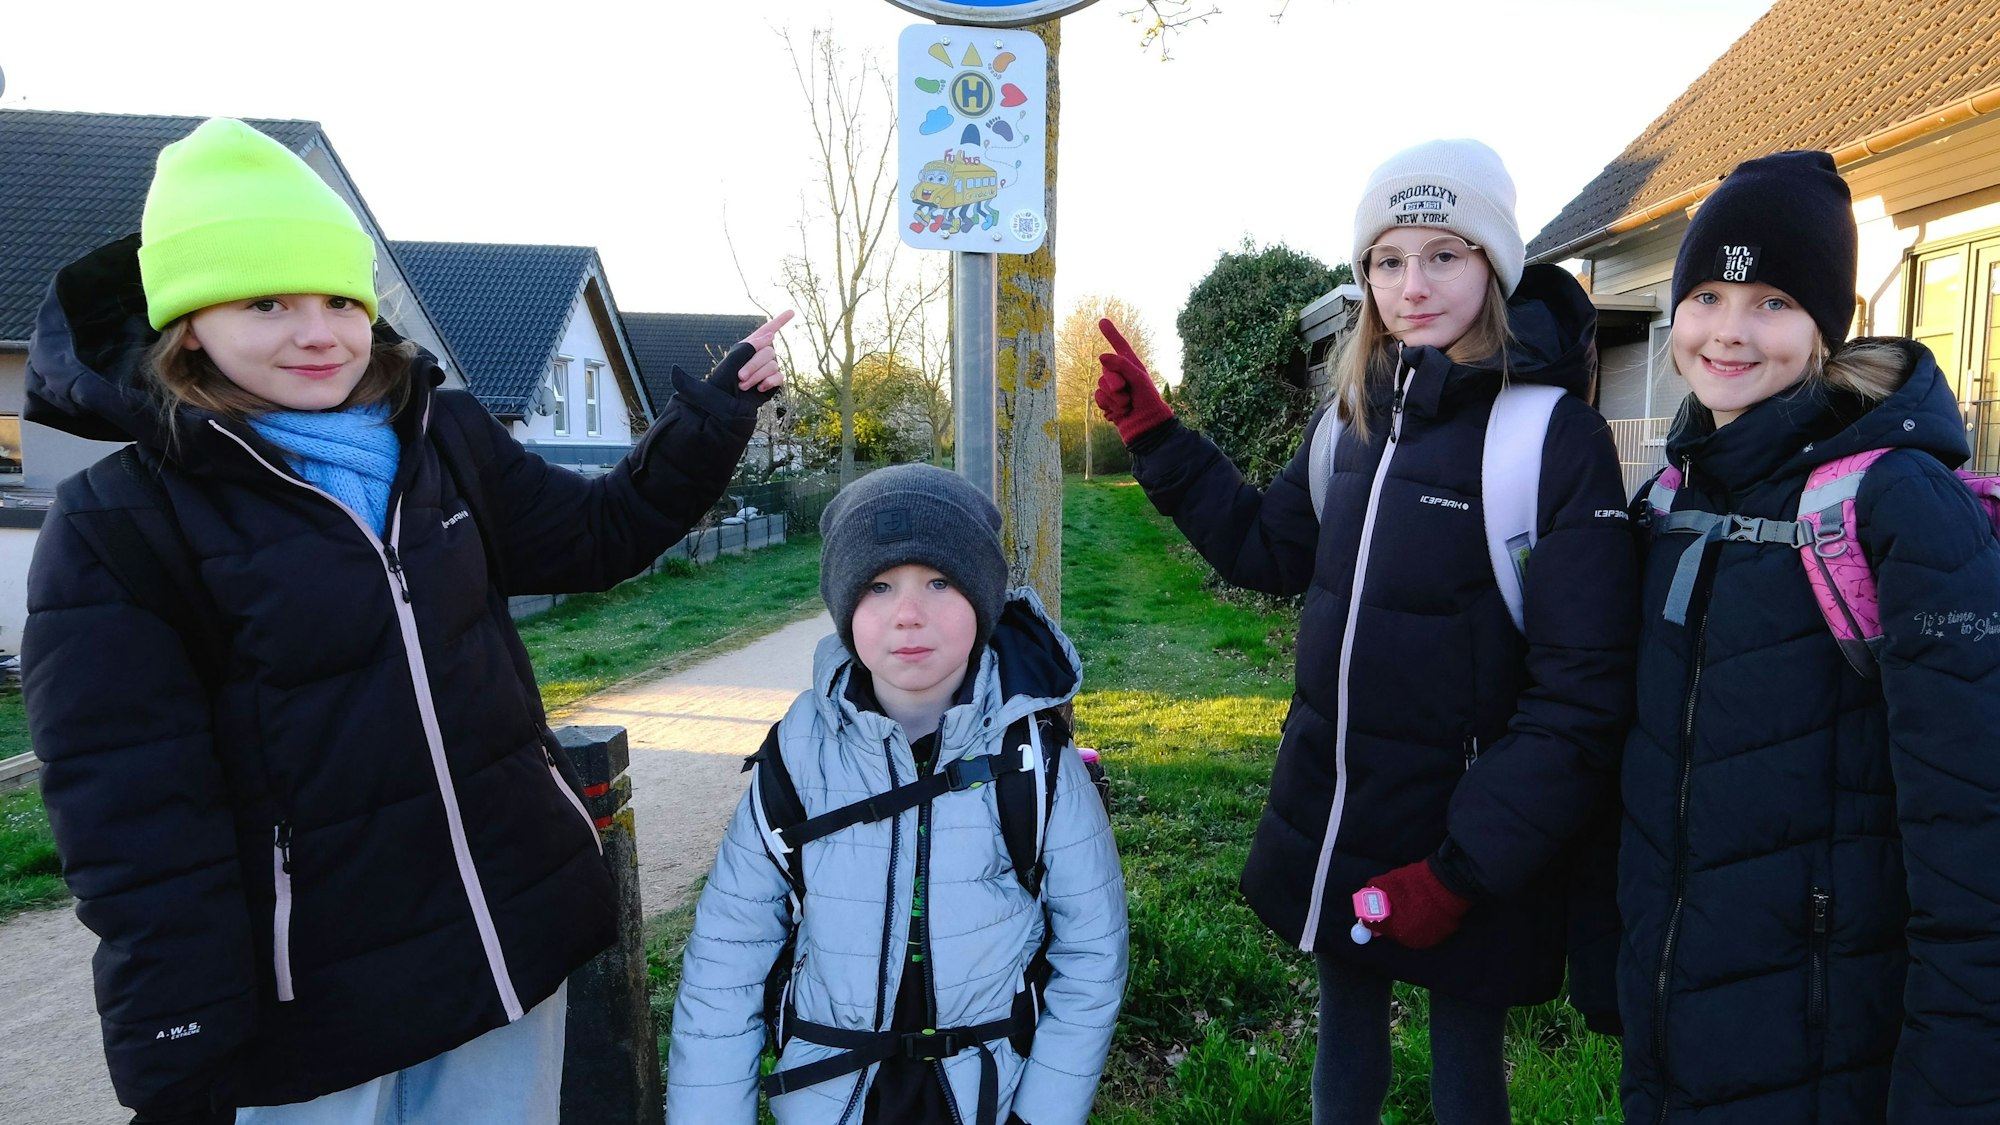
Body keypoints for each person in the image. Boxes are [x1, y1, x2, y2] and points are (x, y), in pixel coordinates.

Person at [20, 117, 787, 1125]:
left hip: (504, 941)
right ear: (187, 324)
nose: (319, 332)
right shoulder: (121, 520)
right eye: (266, 301)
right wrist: (179, 1027)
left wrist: (711, 421)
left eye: (341, 299)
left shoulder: (443, 436)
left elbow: (595, 535)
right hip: (311, 1006)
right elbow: (130, 809)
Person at [1092, 139, 1637, 1123]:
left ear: (1494, 264)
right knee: (1344, 1049)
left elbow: (1581, 692)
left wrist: (1463, 868)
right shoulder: (1350, 417)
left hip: (1471, 825)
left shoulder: (1551, 436)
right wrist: (1159, 442)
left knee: (1466, 1066)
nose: (1411, 286)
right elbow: (1266, 551)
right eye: (1387, 260)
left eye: (1443, 254)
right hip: (1342, 808)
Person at [1617, 150, 2000, 1123]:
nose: (1728, 331)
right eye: (1706, 295)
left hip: (1837, 1054)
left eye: (1773, 302)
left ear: (1826, 326)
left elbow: (1973, 835)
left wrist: (1953, 1085)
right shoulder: (1672, 498)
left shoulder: (1895, 503)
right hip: (1673, 1034)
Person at [666, 464, 1127, 1125]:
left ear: (983, 599)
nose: (909, 615)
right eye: (879, 586)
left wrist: (1043, 1114)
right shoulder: (798, 754)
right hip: (830, 1102)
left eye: (939, 581)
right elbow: (726, 957)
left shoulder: (1034, 758)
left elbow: (1092, 952)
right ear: (845, 606)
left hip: (990, 1097)